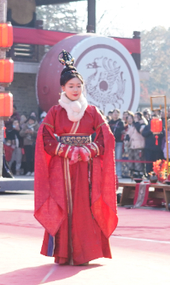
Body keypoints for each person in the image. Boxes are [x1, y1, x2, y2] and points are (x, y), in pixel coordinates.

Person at [34, 50, 117, 265]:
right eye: (71, 86)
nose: (75, 90)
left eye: (78, 86)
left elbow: (106, 137)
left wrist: (88, 150)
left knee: (86, 205)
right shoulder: (55, 112)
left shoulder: (92, 111)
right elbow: (45, 138)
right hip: (62, 166)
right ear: (62, 88)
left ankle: (85, 252)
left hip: (87, 167)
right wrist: (67, 150)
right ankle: (63, 252)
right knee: (62, 203)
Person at [108, 109, 125, 178]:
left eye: (116, 113)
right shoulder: (110, 122)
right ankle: (111, 172)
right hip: (111, 142)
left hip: (118, 142)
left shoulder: (121, 122)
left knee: (118, 157)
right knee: (111, 158)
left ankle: (118, 173)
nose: (115, 114)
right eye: (114, 113)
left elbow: (121, 131)